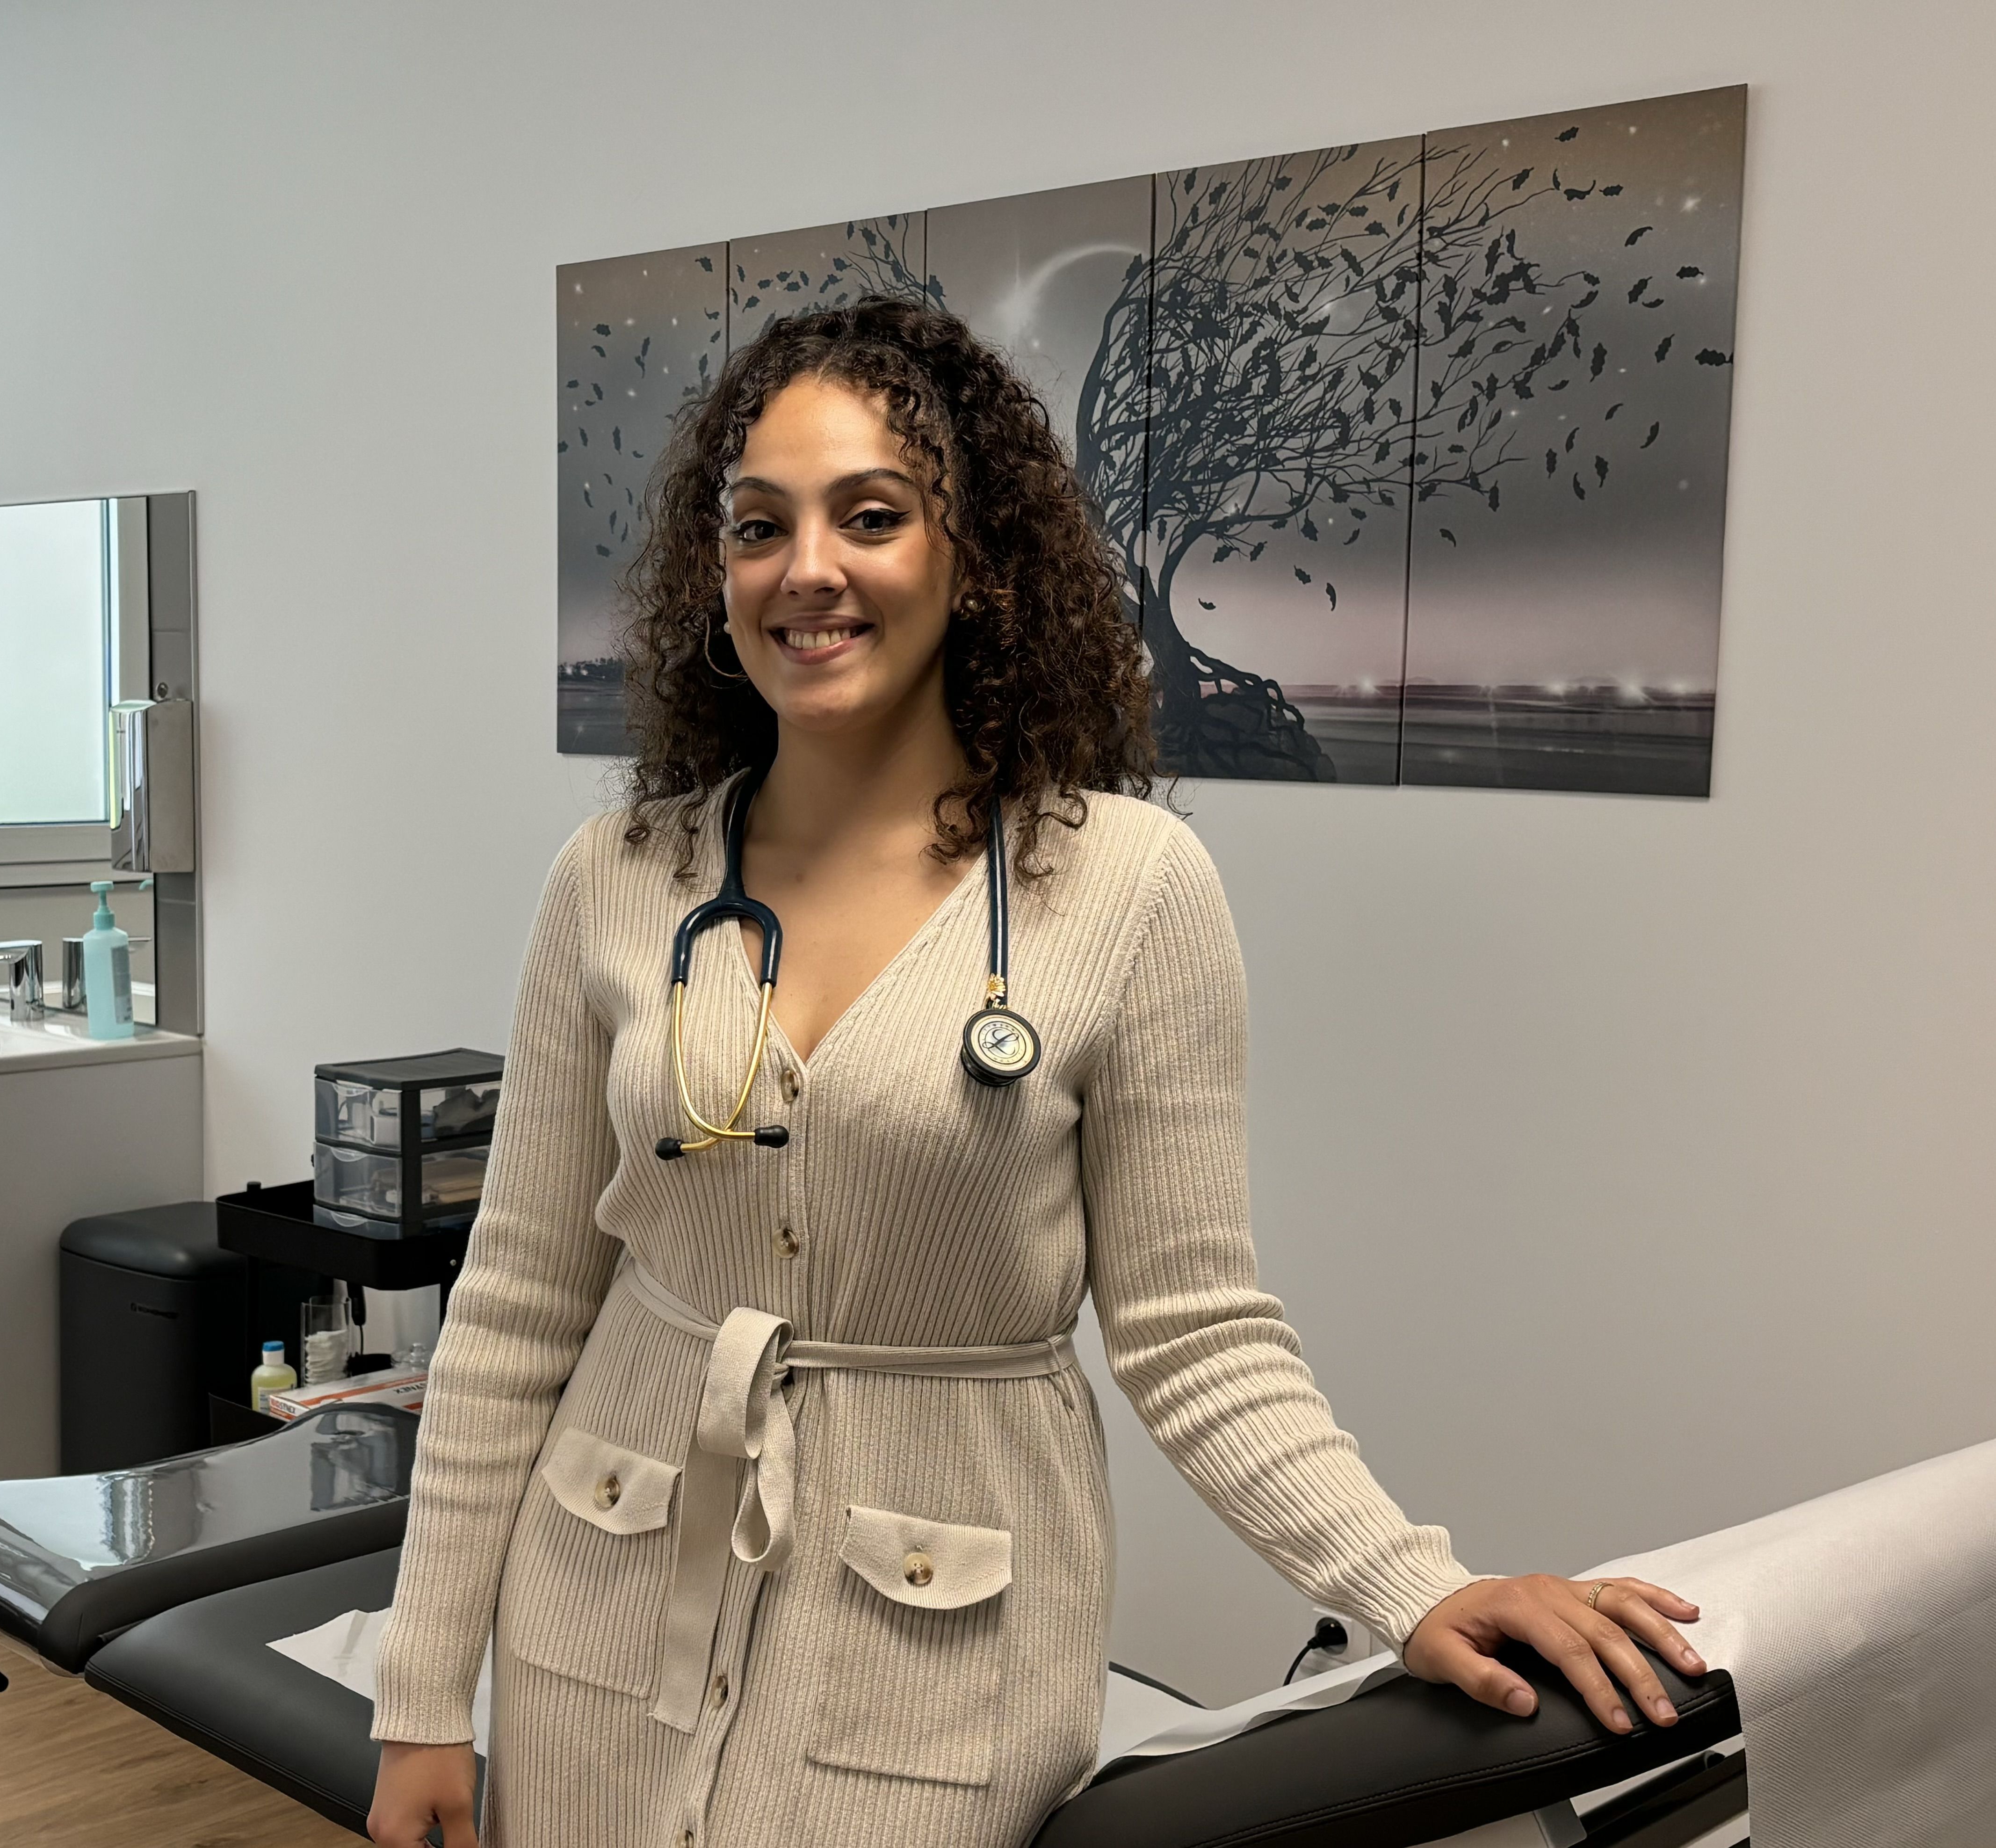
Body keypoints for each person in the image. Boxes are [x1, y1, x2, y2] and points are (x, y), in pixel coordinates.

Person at [367, 296, 1703, 1848]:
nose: (807, 570)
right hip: (601, 1603)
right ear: (709, 573)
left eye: (870, 516)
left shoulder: (1126, 889)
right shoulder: (617, 877)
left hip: (936, 1639)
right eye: (757, 526)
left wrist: (1412, 1584)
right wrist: (419, 1702)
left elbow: (1194, 1332)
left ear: (972, 556)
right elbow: (520, 1299)